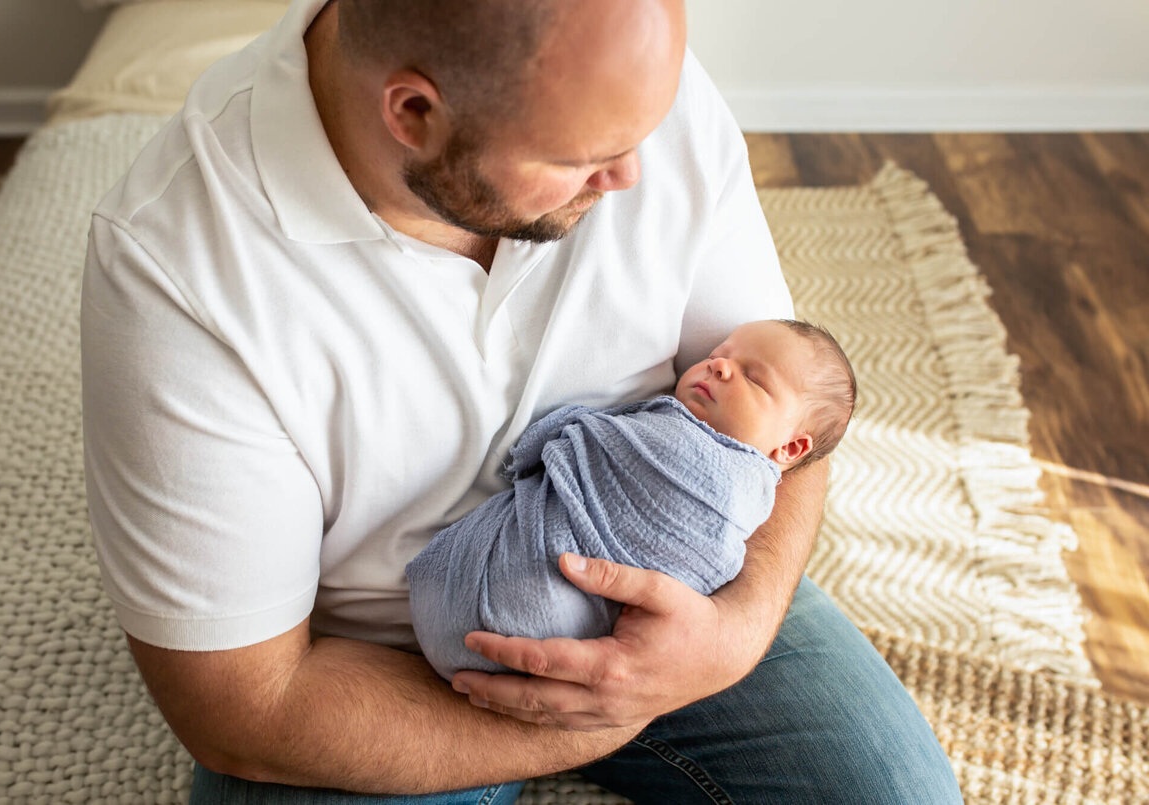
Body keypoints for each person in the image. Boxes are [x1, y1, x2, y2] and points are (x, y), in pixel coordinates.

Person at [79, 0, 963, 802]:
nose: (630, 175)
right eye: (580, 158)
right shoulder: (178, 270)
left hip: (668, 560)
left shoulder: (627, 93)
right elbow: (247, 709)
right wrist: (607, 712)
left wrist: (728, 634)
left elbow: (790, 420)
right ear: (414, 114)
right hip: (374, 663)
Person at [408, 319, 856, 681]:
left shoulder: (733, 489)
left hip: (535, 620)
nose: (718, 367)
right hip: (438, 641)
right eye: (718, 355)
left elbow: (705, 557)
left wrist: (579, 435)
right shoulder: (666, 426)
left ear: (790, 449)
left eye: (753, 379)